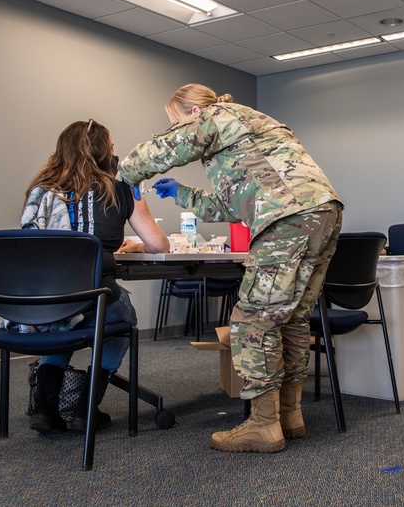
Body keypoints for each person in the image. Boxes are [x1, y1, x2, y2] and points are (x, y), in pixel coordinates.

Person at [118, 84, 343, 453]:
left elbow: (168, 148)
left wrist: (123, 171)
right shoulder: (244, 128)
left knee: (253, 320)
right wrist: (180, 193)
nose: (177, 129)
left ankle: (263, 426)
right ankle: (289, 415)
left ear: (190, 114)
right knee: (289, 318)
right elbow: (233, 205)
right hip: (320, 212)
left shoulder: (217, 116)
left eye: (176, 121)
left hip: (287, 219)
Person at [21, 119, 169, 433]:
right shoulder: (121, 187)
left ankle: (45, 409)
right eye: (112, 148)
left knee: (65, 319)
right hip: (95, 296)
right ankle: (84, 410)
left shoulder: (40, 190)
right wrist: (137, 245)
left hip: (42, 301)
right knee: (121, 318)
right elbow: (159, 244)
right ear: (103, 152)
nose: (115, 153)